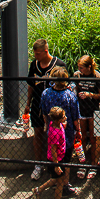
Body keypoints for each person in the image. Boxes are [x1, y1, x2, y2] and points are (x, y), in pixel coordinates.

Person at [24, 39, 67, 180]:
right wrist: (28, 103)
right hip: (37, 105)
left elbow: (67, 85)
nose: (35, 56)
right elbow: (31, 85)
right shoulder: (34, 65)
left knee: (55, 134)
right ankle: (38, 164)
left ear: (45, 51)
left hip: (54, 108)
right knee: (37, 133)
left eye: (37, 54)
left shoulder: (59, 65)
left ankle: (56, 164)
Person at [39, 67, 80, 193]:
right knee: (66, 158)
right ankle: (65, 185)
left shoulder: (46, 93)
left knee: (54, 154)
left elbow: (44, 112)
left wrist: (47, 126)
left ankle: (54, 179)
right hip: (66, 133)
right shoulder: (70, 96)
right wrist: (78, 130)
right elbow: (75, 116)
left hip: (52, 130)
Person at [32, 106, 73, 199]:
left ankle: (38, 190)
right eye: (64, 116)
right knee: (59, 182)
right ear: (59, 119)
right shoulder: (55, 133)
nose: (65, 117)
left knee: (55, 179)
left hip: (59, 158)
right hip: (56, 160)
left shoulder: (54, 125)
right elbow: (53, 150)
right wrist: (56, 165)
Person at [73, 55, 100, 180]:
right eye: (79, 68)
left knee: (93, 137)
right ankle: (82, 163)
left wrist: (89, 94)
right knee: (82, 137)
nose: (80, 70)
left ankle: (93, 164)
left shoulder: (96, 76)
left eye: (82, 68)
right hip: (80, 110)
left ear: (89, 67)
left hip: (92, 110)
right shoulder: (77, 75)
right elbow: (74, 88)